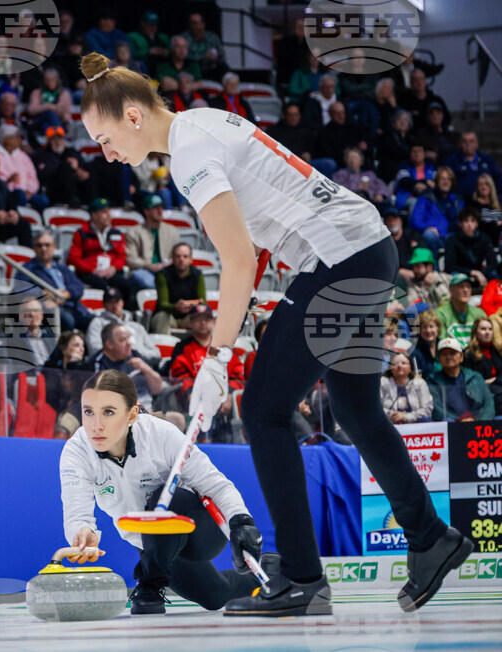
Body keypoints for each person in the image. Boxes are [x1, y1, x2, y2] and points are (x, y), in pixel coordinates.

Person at [77, 51, 469, 616]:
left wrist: (216, 358)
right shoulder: (204, 121)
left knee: (263, 407)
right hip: (367, 248)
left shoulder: (188, 151)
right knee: (356, 408)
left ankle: (304, 579)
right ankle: (431, 537)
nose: (107, 153)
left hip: (338, 259)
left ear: (133, 116)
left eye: (105, 138)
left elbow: (235, 260)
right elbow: (254, 247)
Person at [59, 370, 269, 614]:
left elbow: (216, 485)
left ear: (132, 414)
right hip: (151, 545)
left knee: (163, 498)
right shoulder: (76, 452)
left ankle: (150, 583)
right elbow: (77, 511)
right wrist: (82, 532)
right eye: (88, 412)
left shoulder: (161, 435)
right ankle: (271, 570)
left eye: (108, 412)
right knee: (214, 595)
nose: (96, 425)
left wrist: (241, 522)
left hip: (198, 529)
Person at [168, 304, 246, 442]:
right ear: (191, 322)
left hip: (222, 407)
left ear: (213, 322)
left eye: (207, 319)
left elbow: (237, 374)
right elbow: (179, 375)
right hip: (193, 407)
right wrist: (191, 393)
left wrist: (229, 394)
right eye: (198, 319)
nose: (203, 323)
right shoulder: (182, 347)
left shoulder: (224, 347)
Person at [16, 230, 92, 332]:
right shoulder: (27, 269)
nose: (44, 249)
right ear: (34, 248)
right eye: (39, 245)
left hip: (74, 308)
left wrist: (66, 294)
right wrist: (44, 293)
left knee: (95, 322)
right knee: (67, 320)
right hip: (50, 309)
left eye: (47, 245)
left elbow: (79, 286)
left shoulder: (62, 268)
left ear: (54, 247)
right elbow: (20, 288)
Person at [68, 197, 132, 300]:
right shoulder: (81, 233)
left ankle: (125, 313)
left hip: (110, 272)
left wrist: (113, 268)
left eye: (108, 211)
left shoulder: (116, 233)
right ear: (94, 215)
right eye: (104, 212)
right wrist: (92, 270)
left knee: (127, 286)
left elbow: (122, 256)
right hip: (90, 272)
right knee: (103, 286)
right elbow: (74, 258)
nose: (108, 215)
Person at [426, 338, 494, 422]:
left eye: (452, 353)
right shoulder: (432, 380)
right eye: (444, 354)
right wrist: (459, 420)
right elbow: (436, 409)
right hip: (451, 424)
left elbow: (489, 403)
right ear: (439, 359)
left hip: (479, 424)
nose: (448, 357)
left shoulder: (475, 377)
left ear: (461, 357)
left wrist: (478, 421)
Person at [85, 286, 160, 362]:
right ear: (104, 305)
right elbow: (95, 350)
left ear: (122, 302)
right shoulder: (98, 323)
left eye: (117, 302)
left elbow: (156, 353)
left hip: (141, 364)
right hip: (113, 365)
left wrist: (136, 354)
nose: (115, 306)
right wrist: (124, 355)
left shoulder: (136, 326)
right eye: (110, 302)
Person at [126, 193, 179, 292]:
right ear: (146, 211)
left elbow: (177, 254)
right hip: (143, 270)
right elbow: (131, 259)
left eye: (161, 207)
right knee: (149, 281)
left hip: (166, 270)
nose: (160, 211)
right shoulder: (134, 232)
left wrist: (169, 263)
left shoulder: (172, 231)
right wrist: (149, 266)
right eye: (155, 208)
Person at [152, 242, 206, 332]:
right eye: (178, 256)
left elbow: (203, 303)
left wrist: (193, 305)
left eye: (185, 256)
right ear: (172, 258)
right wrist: (176, 307)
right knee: (162, 317)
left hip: (189, 317)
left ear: (190, 259)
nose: (181, 260)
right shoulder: (162, 274)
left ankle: (206, 346)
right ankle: (162, 345)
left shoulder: (198, 274)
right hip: (168, 316)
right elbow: (162, 304)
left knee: (204, 318)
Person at [443, 207, 495, 289]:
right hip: (461, 274)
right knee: (454, 275)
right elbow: (450, 266)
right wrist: (472, 273)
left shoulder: (484, 238)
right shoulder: (452, 240)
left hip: (481, 274)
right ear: (460, 223)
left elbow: (492, 263)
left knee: (494, 274)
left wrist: (481, 274)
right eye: (466, 221)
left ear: (477, 224)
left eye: (473, 221)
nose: (469, 224)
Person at [463, 317, 502, 415]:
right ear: (476, 332)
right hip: (479, 397)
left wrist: (495, 381)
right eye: (483, 329)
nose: (487, 332)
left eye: (490, 329)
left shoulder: (498, 351)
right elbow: (468, 380)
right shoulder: (468, 354)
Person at [435, 274, 487, 347]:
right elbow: (442, 342)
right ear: (451, 291)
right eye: (461, 287)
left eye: (468, 287)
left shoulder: (479, 313)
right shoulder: (440, 314)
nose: (465, 290)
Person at [381, 353, 434, 424]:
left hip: (415, 423)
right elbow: (375, 407)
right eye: (396, 363)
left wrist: (406, 417)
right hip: (389, 424)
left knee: (426, 420)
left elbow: (427, 409)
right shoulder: (383, 382)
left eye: (403, 363)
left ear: (410, 368)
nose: (399, 365)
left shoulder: (420, 383)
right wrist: (392, 415)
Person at [446, 132, 502, 199]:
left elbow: (499, 178)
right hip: (462, 200)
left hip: (487, 199)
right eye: (464, 141)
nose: (468, 144)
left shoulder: (487, 159)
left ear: (477, 144)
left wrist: (491, 194)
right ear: (460, 144)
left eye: (471, 141)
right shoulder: (453, 161)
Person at [412, 311, 442, 379]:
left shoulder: (444, 346)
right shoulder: (415, 351)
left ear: (437, 328)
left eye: (431, 326)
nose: (428, 330)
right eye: (424, 327)